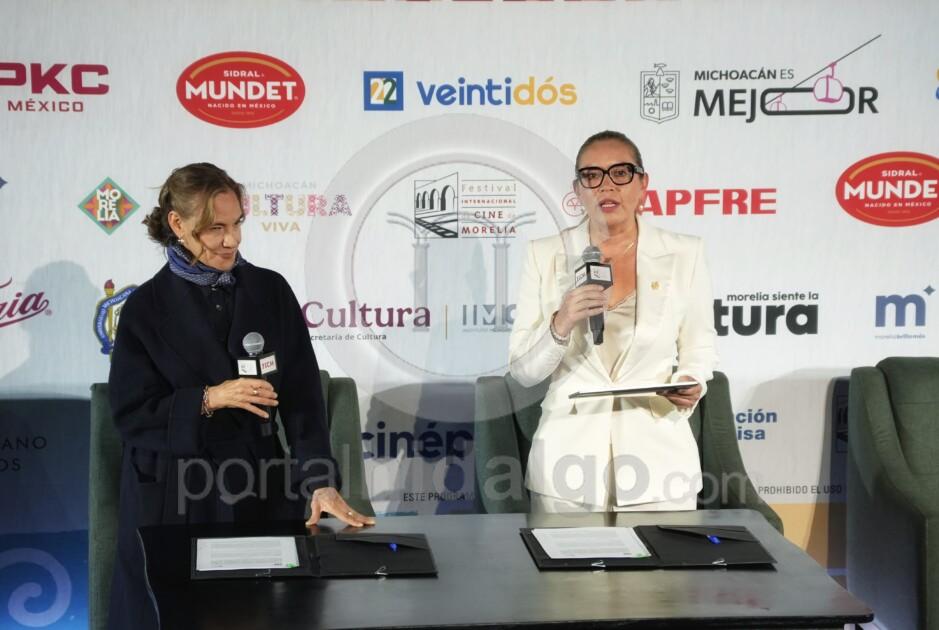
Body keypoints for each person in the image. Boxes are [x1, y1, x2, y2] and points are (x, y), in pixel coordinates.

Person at [107, 163, 374, 629]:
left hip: (257, 484)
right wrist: (208, 399)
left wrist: (319, 480)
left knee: (266, 615)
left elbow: (303, 399)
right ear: (177, 224)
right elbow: (132, 415)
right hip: (174, 494)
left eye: (237, 225)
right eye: (215, 228)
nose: (231, 240)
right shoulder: (144, 308)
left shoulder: (270, 291)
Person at [508, 131, 717, 513]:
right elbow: (524, 372)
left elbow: (698, 346)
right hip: (566, 468)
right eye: (592, 175)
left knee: (663, 557)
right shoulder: (544, 254)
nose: (606, 186)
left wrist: (691, 382)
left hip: (660, 463)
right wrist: (561, 322)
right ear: (578, 190)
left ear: (643, 184)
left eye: (620, 173)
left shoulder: (685, 252)